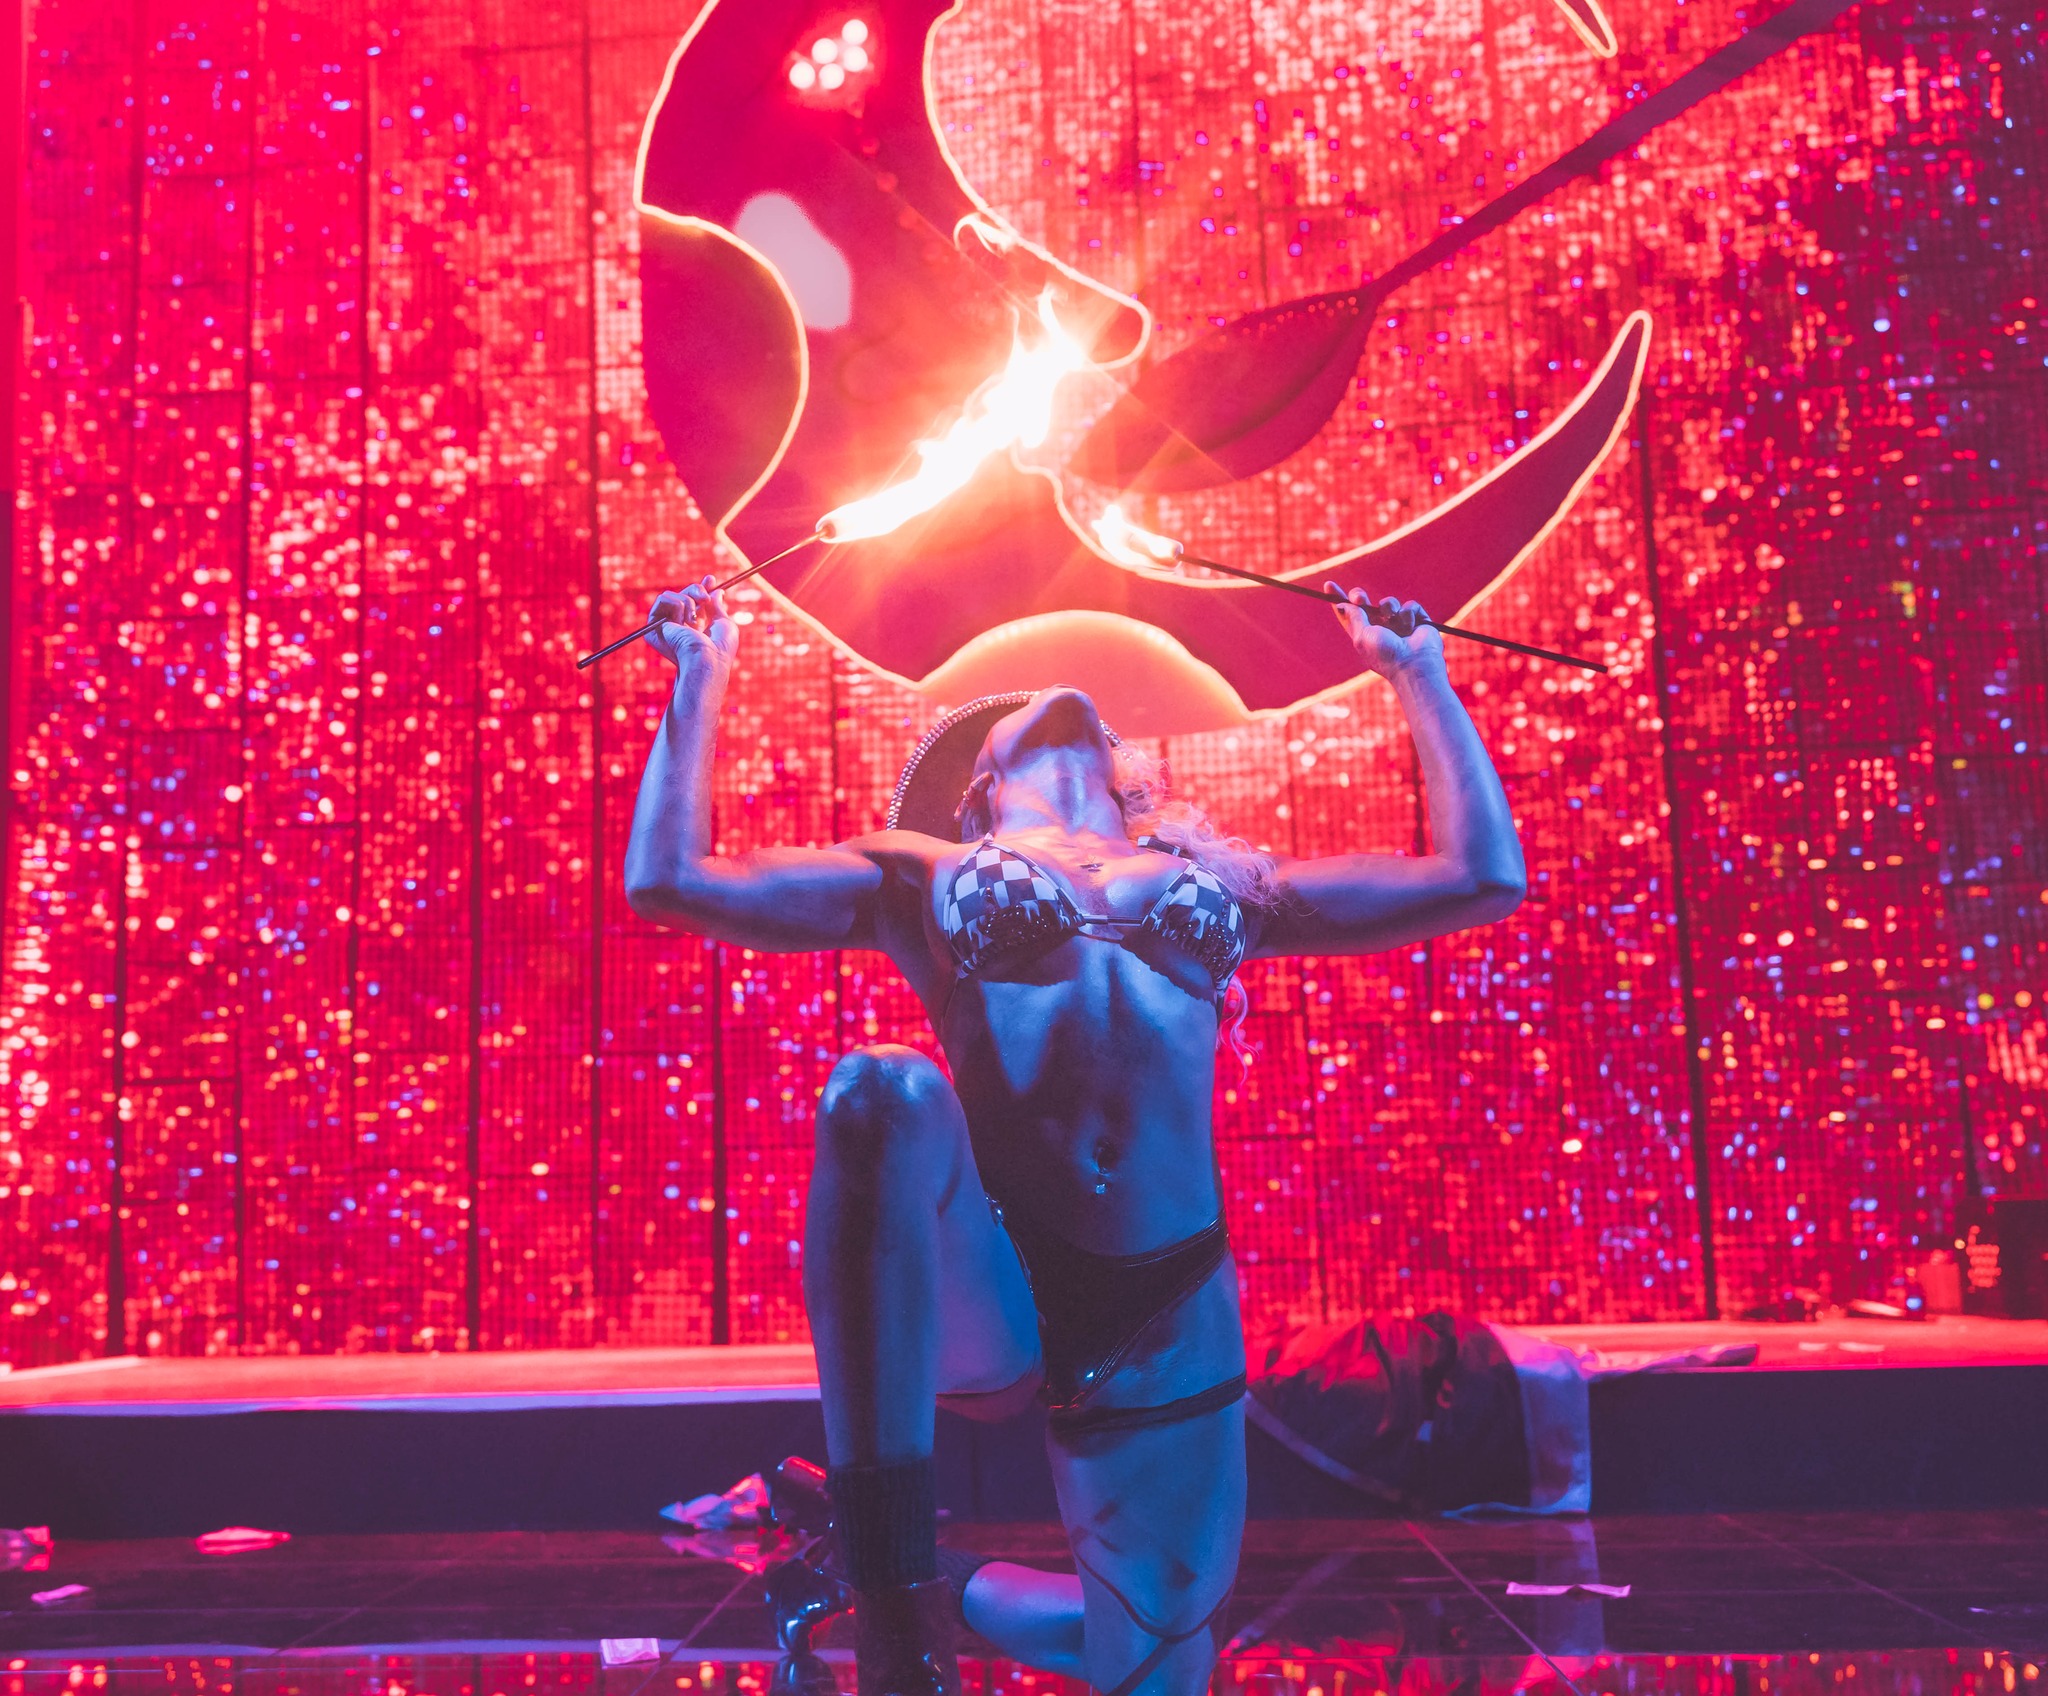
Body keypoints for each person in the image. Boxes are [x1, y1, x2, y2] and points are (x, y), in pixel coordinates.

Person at [623, 580, 1525, 1696]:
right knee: (880, 1091)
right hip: (993, 1275)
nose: (1044, 694)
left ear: (1126, 770)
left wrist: (1417, 673)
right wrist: (700, 677)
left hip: (1164, 1300)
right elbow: (669, 881)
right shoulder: (920, 871)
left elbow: (1480, 878)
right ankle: (893, 1593)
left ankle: (917, 1577)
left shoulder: (1224, 885)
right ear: (977, 791)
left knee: (1149, 1666)